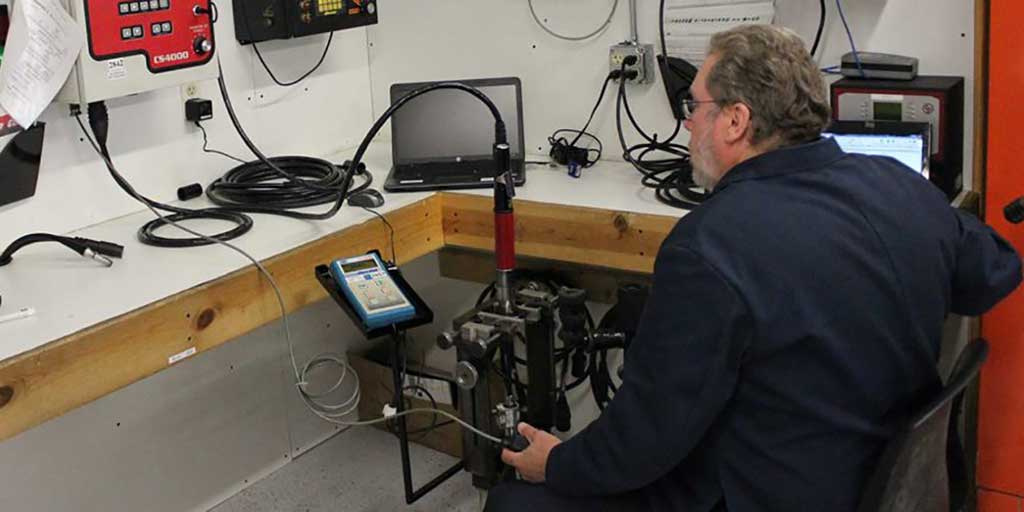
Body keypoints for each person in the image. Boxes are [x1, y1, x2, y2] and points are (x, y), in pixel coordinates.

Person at [485, 24, 1022, 511]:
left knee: (515, 503)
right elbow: (994, 272)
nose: (689, 121)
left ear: (735, 120)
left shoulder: (706, 247)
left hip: (770, 493)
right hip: (882, 481)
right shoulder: (902, 184)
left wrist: (555, 462)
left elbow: (644, 443)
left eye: (694, 105)